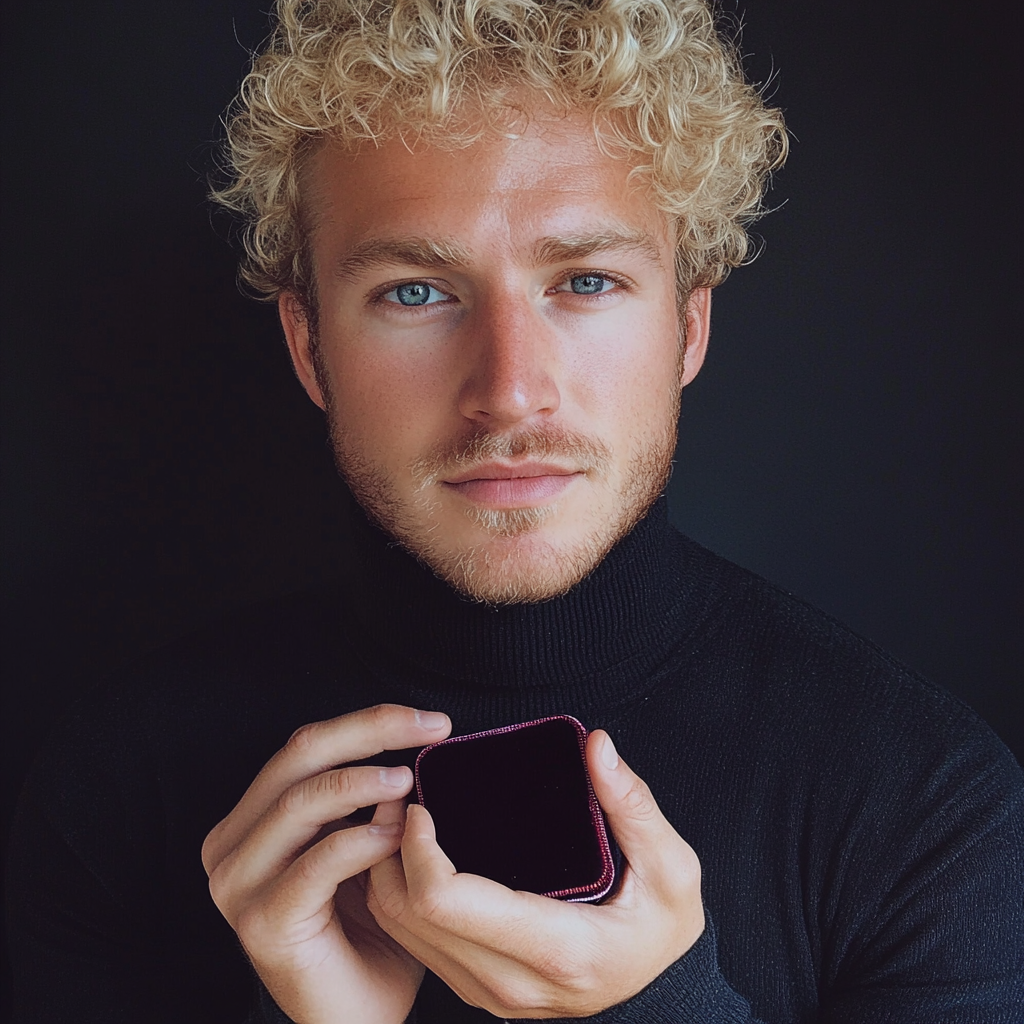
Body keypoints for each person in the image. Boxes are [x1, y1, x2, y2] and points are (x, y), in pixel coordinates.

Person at [7, 0, 1023, 1021]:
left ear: (687, 326)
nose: (509, 390)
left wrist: (665, 1009)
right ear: (309, 345)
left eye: (583, 280)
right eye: (415, 291)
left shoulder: (925, 802)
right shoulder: (112, 796)